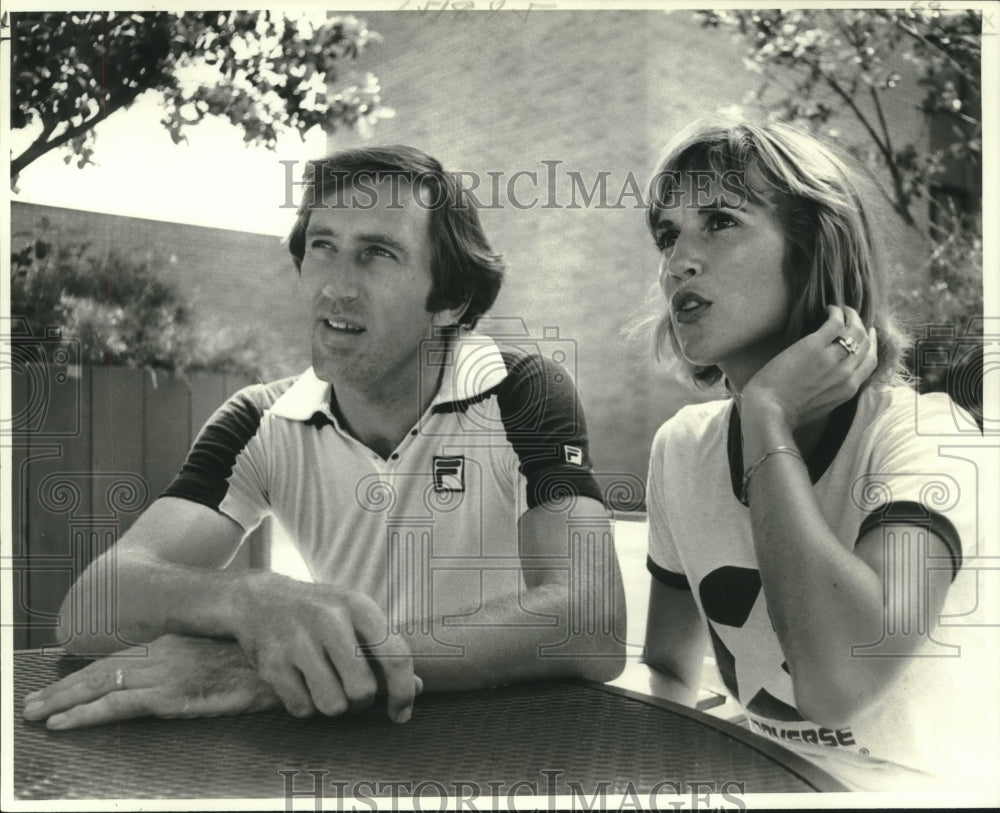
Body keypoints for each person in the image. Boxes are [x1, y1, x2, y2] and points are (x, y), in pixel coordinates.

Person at [23, 145, 625, 730]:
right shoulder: (258, 417)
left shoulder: (521, 391)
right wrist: (251, 601)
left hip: (511, 734)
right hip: (346, 734)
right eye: (322, 247)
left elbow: (590, 621)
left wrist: (274, 666)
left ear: (452, 300)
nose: (336, 286)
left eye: (378, 254)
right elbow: (91, 609)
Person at [640, 119, 995, 790]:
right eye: (667, 234)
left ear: (812, 251)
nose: (677, 260)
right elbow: (670, 665)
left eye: (719, 220)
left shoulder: (928, 439)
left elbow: (838, 681)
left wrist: (767, 415)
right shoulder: (681, 448)